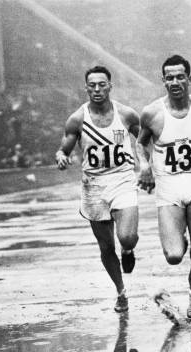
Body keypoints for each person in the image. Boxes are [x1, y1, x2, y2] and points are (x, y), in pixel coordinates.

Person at [137, 55, 191, 322]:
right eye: (169, 77)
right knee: (174, 255)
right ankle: (180, 240)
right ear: (163, 80)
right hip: (169, 190)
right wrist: (144, 165)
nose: (175, 82)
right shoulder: (152, 114)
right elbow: (140, 144)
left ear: (189, 79)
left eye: (180, 76)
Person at [56, 66, 140, 313]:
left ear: (110, 86)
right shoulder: (77, 119)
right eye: (92, 85)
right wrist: (61, 157)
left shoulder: (126, 114)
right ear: (86, 88)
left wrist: (145, 163)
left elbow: (145, 140)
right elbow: (64, 148)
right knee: (105, 247)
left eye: (101, 84)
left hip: (122, 179)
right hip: (94, 186)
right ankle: (121, 291)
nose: (97, 89)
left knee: (126, 236)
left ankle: (128, 248)